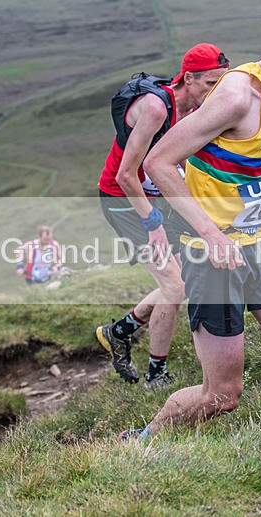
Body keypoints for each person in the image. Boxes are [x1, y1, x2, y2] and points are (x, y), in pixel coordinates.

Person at [128, 0, 261, 440]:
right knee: (221, 395)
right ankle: (142, 443)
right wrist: (210, 233)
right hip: (212, 257)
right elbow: (159, 162)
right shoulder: (237, 93)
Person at [95, 43, 230, 390]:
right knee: (174, 285)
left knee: (197, 265)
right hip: (125, 200)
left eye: (222, 83)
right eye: (210, 84)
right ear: (188, 78)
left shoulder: (196, 112)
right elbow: (127, 176)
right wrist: (152, 223)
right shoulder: (156, 109)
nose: (216, 93)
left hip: (159, 197)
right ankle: (157, 375)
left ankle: (119, 331)